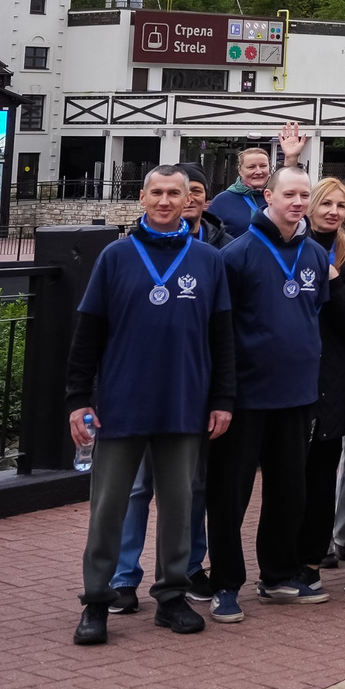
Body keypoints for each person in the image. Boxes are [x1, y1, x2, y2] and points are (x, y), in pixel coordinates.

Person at [67, 166, 234, 645]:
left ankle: (172, 597)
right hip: (121, 403)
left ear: (190, 201)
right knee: (108, 507)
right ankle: (96, 600)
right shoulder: (115, 257)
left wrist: (223, 398)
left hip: (185, 402)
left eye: (174, 194)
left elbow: (222, 338)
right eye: (156, 192)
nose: (165, 201)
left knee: (179, 507)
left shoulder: (207, 259)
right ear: (141, 197)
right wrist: (78, 400)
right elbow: (88, 335)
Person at [203, 161, 327, 622]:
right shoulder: (234, 255)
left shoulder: (314, 254)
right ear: (268, 197)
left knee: (289, 492)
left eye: (304, 196)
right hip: (246, 398)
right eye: (289, 195)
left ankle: (276, 575)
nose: (298, 203)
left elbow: (313, 317)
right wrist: (223, 395)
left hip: (297, 395)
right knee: (230, 495)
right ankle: (225, 584)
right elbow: (221, 331)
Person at [298, 179, 345, 586]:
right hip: (288, 377)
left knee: (322, 476)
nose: (333, 211)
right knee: (288, 476)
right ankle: (279, 561)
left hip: (331, 378)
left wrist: (333, 280)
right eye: (325, 202)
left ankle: (310, 562)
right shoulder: (287, 247)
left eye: (339, 206)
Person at [205, 124, 297, 234]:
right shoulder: (222, 202)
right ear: (240, 170)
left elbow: (290, 185)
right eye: (251, 167)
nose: (258, 171)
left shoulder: (277, 197)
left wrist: (291, 158)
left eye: (263, 166)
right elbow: (210, 239)